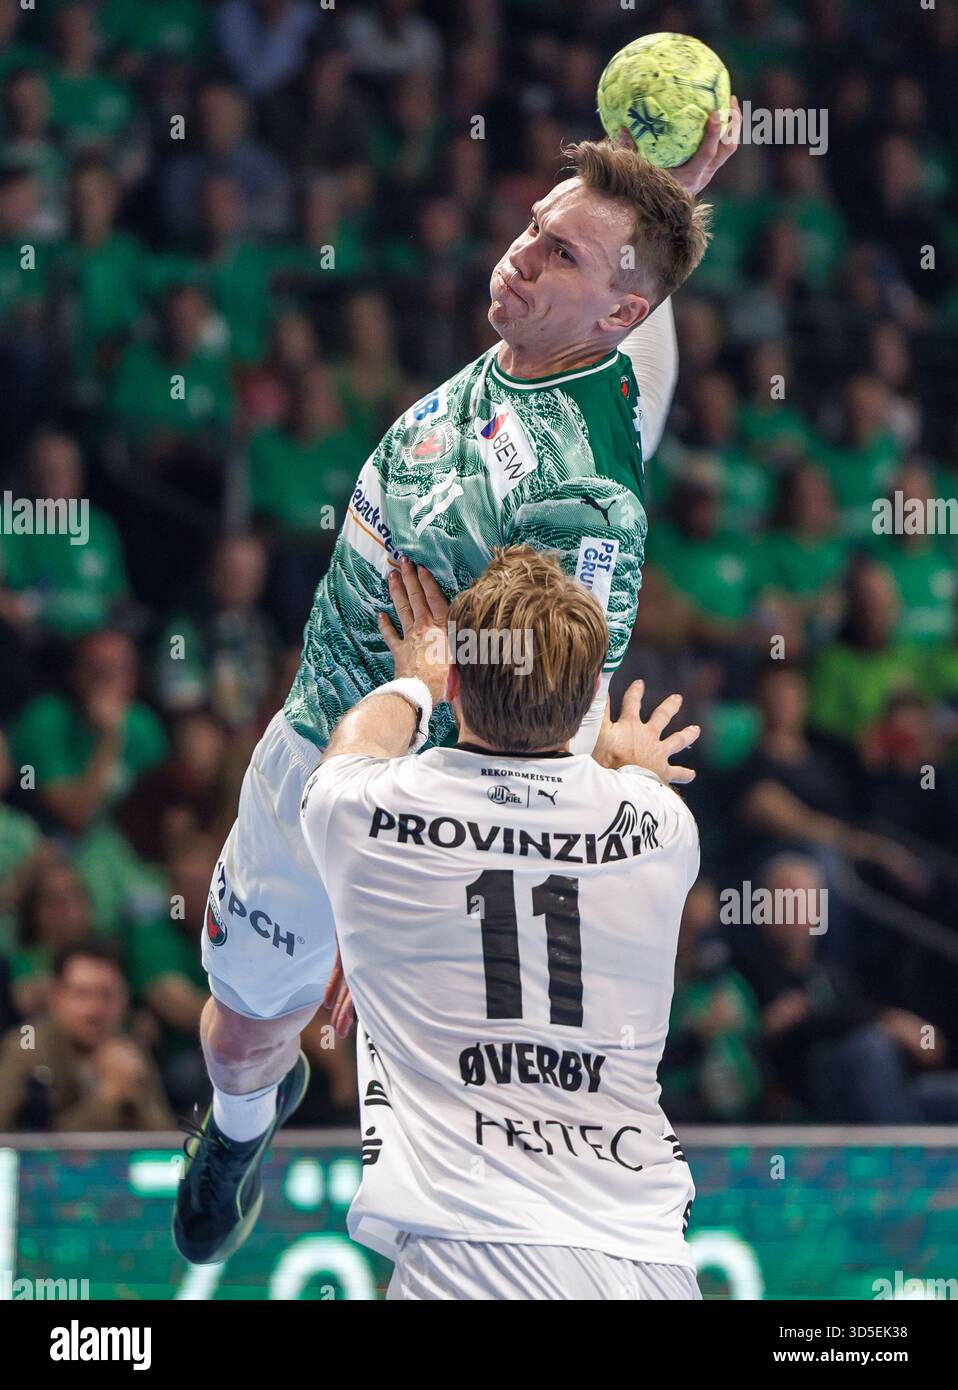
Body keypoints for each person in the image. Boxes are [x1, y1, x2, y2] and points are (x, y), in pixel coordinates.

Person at [173, 113, 741, 1265]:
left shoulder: (588, 503)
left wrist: (382, 874)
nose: (521, 256)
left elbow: (543, 730)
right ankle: (240, 1127)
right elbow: (643, 279)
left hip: (426, 800)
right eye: (534, 228)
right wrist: (666, 187)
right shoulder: (585, 326)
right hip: (306, 738)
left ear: (615, 316)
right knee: (240, 1035)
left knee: (281, 1019)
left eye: (559, 256)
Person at [298, 548, 702, 1299]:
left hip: (471, 1258)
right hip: (650, 1262)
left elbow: (350, 751)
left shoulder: (367, 814)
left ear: (458, 680)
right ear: (587, 703)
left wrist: (413, 682)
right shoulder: (660, 826)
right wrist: (633, 766)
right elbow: (576, 826)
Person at [0, 941, 173, 1132]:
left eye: (106, 995)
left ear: (124, 1000)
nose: (95, 1010)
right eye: (82, 994)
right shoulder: (27, 1049)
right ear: (57, 998)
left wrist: (138, 1099)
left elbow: (164, 1143)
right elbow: (19, 1145)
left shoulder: (129, 1051)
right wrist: (108, 1097)